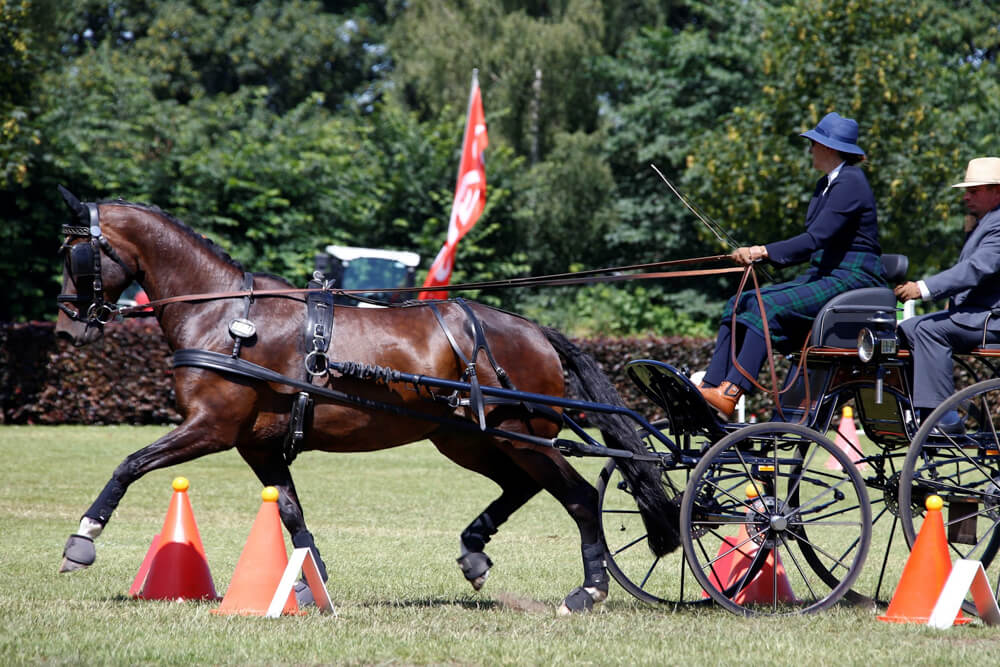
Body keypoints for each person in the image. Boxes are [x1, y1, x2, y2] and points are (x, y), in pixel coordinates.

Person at [699, 112, 886, 417]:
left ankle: (731, 392)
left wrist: (762, 251)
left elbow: (815, 238)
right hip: (826, 273)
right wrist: (764, 254)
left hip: (854, 276)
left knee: (765, 306)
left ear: (829, 148)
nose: (810, 149)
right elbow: (814, 243)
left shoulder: (851, 181)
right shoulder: (825, 184)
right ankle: (710, 387)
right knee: (739, 302)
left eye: (814, 143)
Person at [894, 157, 1000, 434]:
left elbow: (975, 269)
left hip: (992, 319)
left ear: (997, 192)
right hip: (977, 315)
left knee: (929, 330)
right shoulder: (985, 222)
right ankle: (916, 408)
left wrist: (923, 288)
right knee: (908, 328)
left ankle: (942, 419)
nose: (966, 197)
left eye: (974, 191)